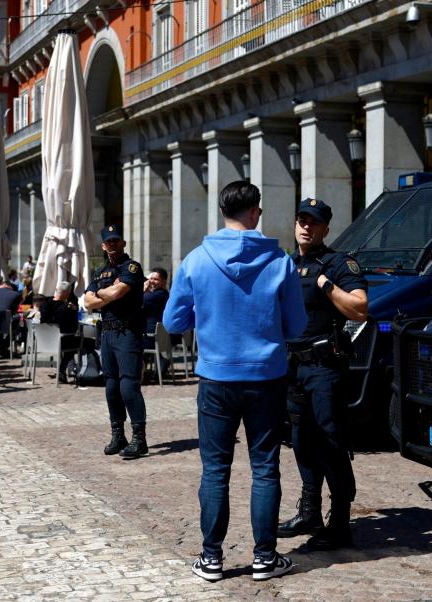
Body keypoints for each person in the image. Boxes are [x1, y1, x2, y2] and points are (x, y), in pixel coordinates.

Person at [163, 181, 307, 582]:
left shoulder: (195, 260)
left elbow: (173, 321)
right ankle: (265, 557)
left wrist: (207, 316)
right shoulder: (280, 261)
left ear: (223, 211)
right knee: (265, 468)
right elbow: (296, 325)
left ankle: (211, 558)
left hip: (216, 376)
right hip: (267, 377)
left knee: (215, 470)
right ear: (255, 212)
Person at [277, 198, 368, 551]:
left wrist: (327, 286)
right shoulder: (285, 265)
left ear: (325, 229)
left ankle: (340, 521)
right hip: (293, 367)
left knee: (331, 444)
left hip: (323, 367)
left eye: (313, 222)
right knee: (301, 441)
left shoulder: (338, 263)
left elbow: (360, 308)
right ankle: (309, 511)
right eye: (301, 220)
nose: (306, 227)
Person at [84, 225, 149, 459]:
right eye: (108, 242)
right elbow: (87, 303)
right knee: (111, 386)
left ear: (123, 243)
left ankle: (139, 439)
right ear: (103, 246)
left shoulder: (131, 267)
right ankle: (118, 434)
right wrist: (105, 293)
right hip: (108, 334)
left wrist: (102, 294)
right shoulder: (100, 271)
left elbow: (113, 295)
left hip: (127, 332)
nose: (112, 245)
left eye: (116, 241)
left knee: (128, 385)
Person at [41, 281, 81, 383]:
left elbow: (43, 321)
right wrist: (74, 311)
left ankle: (61, 371)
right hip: (60, 342)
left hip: (43, 342)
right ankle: (62, 370)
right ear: (67, 294)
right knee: (81, 342)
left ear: (56, 290)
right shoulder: (67, 308)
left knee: (67, 339)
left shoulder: (44, 304)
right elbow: (74, 328)